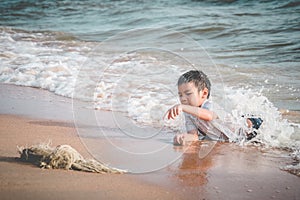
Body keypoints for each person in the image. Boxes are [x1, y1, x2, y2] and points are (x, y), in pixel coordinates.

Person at [165, 70, 263, 145]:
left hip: (251, 127)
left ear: (204, 93)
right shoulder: (188, 112)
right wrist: (182, 138)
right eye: (180, 95)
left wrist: (182, 107)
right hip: (233, 138)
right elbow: (194, 136)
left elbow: (208, 116)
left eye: (188, 94)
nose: (183, 99)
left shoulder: (209, 105)